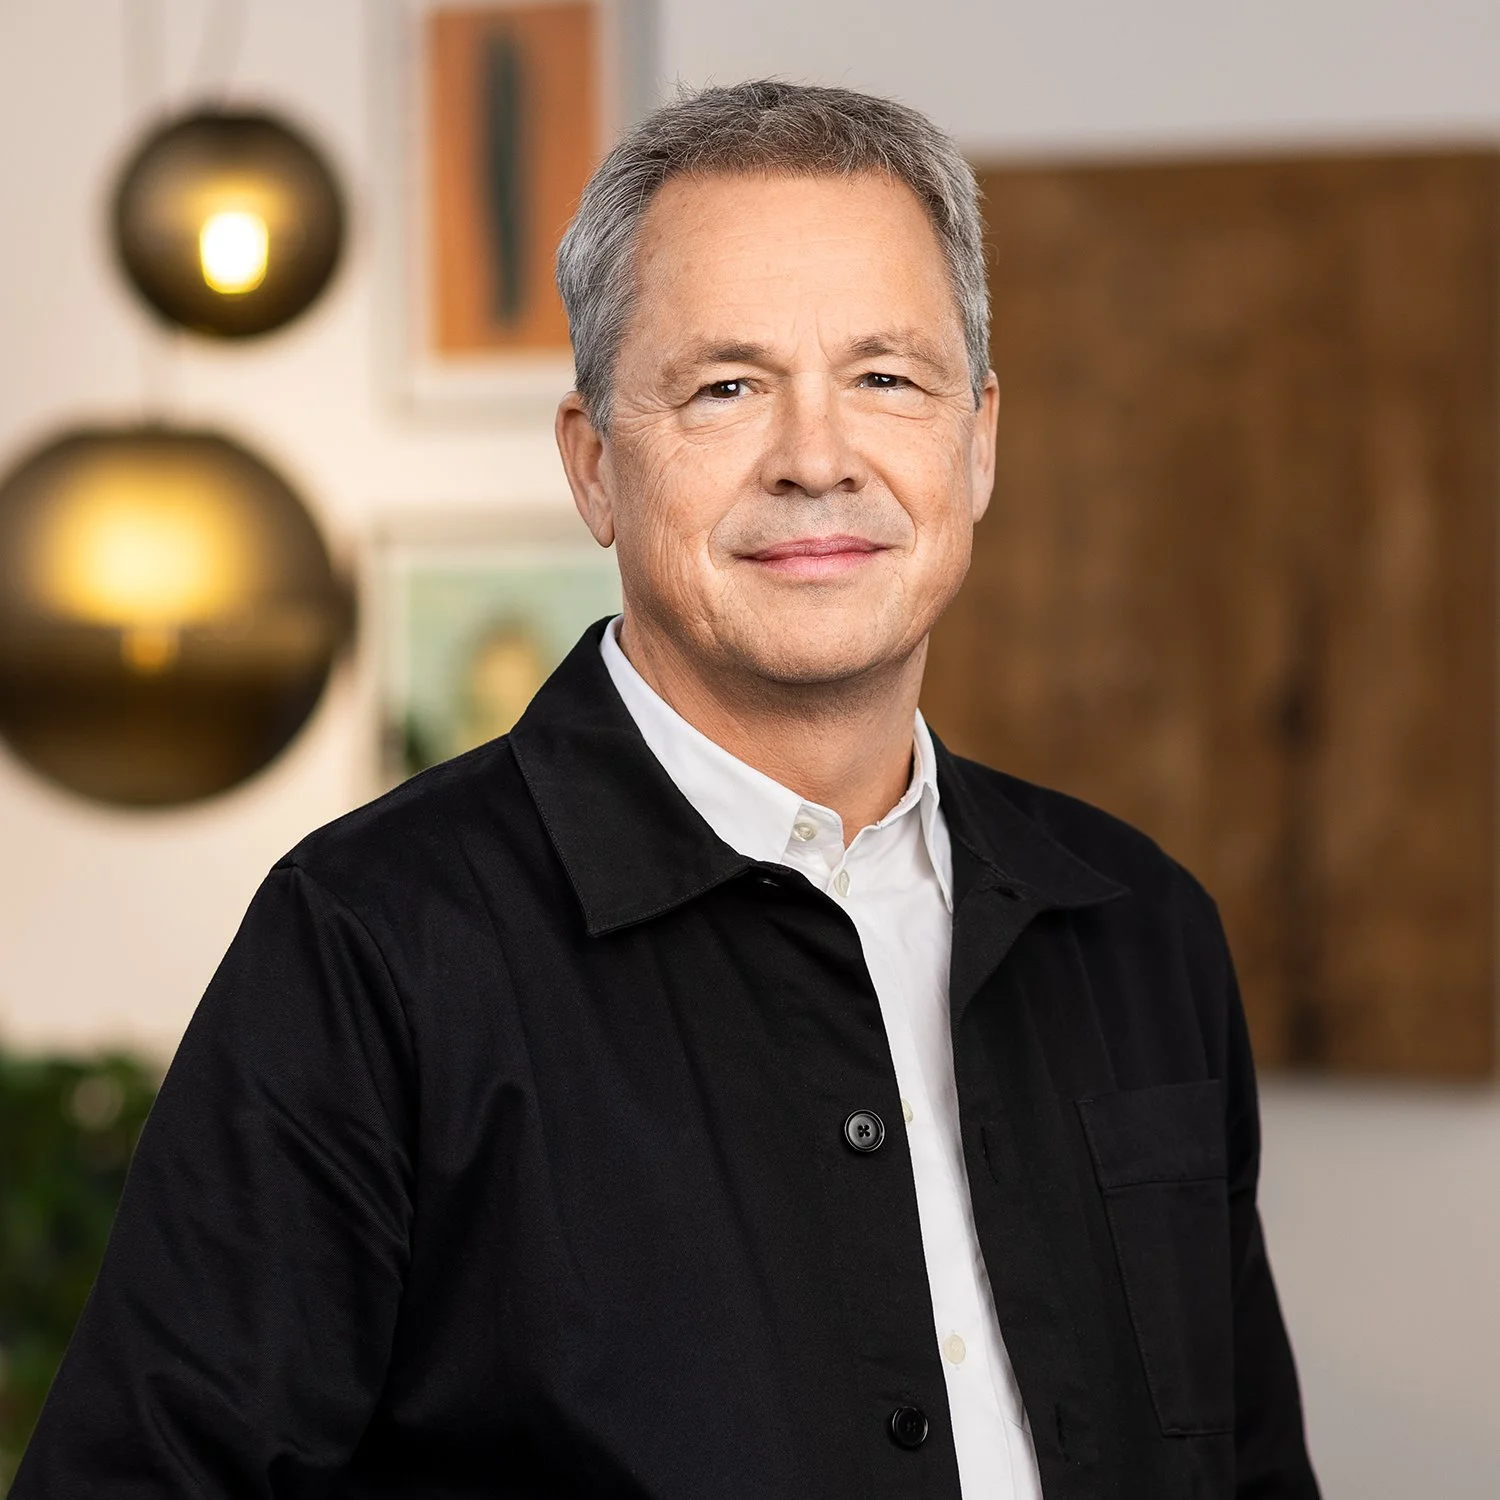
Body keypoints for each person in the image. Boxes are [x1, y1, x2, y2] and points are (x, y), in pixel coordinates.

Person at [14, 82, 1320, 1499]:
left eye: (887, 378)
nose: (818, 459)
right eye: (727, 387)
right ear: (595, 467)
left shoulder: (1139, 931)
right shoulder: (375, 948)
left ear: (979, 439)